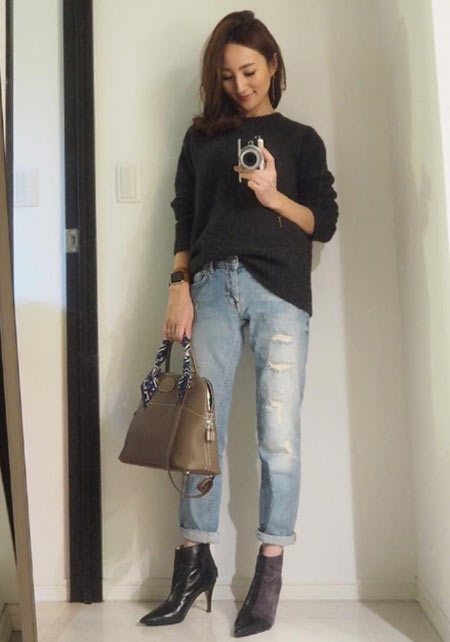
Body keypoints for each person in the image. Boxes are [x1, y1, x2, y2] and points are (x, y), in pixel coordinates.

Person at [139, 9, 339, 637]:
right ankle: (193, 563)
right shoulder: (200, 139)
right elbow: (184, 216)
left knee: (278, 437)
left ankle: (269, 569)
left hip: (280, 293)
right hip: (210, 289)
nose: (240, 86)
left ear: (272, 63)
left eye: (249, 71)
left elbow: (325, 223)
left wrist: (274, 196)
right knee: (201, 431)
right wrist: (178, 287)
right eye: (227, 77)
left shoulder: (301, 140)